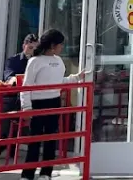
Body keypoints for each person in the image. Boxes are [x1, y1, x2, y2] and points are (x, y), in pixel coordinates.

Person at [20, 29, 85, 180]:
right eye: (60, 44)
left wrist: (76, 78)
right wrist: (27, 107)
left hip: (54, 101)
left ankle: (46, 173)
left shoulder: (59, 61)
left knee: (50, 139)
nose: (62, 47)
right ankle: (28, 174)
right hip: (37, 103)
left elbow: (58, 81)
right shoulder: (35, 61)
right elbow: (26, 86)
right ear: (52, 45)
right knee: (34, 140)